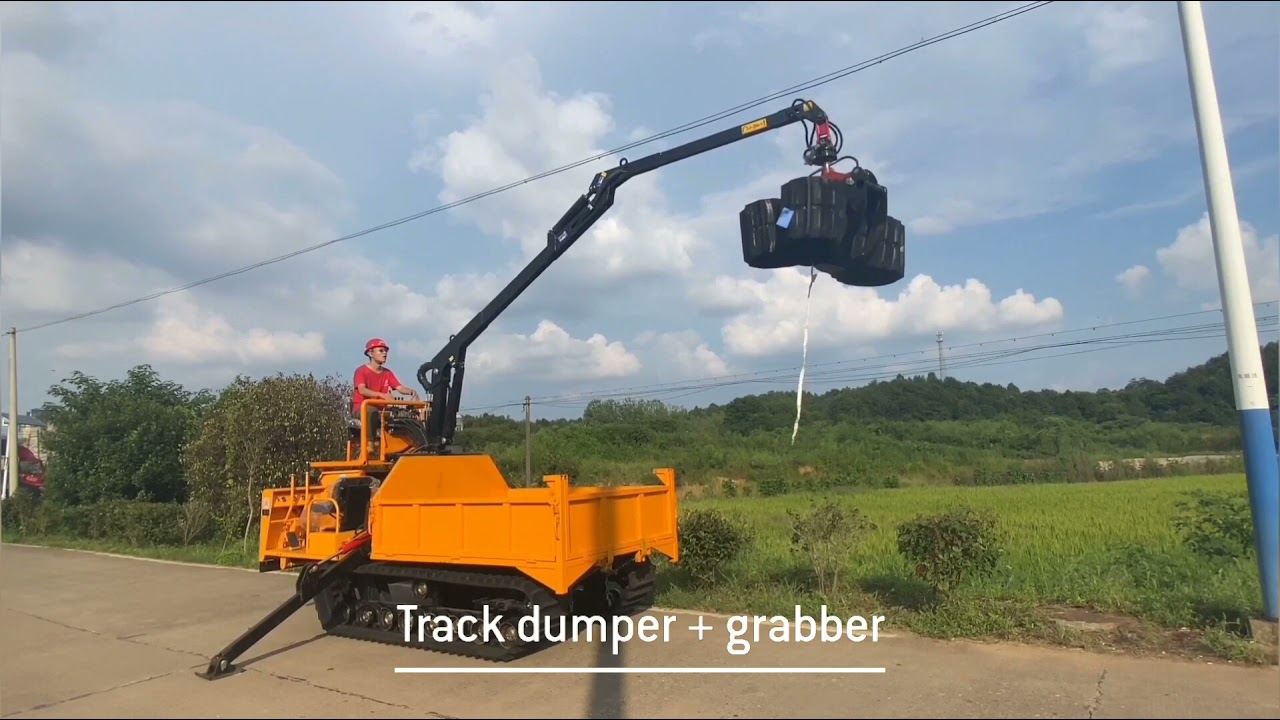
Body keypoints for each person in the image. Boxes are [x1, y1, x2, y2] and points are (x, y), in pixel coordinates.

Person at [352, 338, 419, 419]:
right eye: (381, 350)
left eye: (386, 351)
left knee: (407, 415)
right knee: (373, 413)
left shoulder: (387, 373)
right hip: (362, 408)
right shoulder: (361, 371)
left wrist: (411, 392)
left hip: (381, 410)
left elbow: (400, 387)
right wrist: (383, 395)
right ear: (370, 353)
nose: (385, 353)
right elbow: (362, 390)